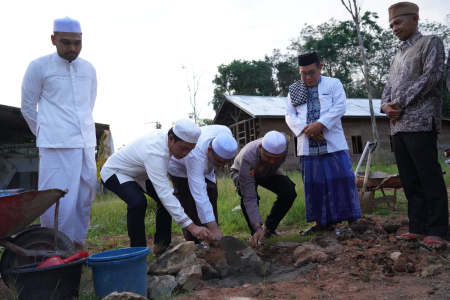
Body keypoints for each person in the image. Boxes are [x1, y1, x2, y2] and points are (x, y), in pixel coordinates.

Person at [21, 17, 98, 250]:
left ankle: (76, 244)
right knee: (58, 201)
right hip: (55, 146)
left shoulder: (89, 68)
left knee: (85, 196)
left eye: (77, 42)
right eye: (66, 42)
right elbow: (27, 106)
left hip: (85, 143)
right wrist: (47, 133)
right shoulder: (39, 66)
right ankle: (54, 246)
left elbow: (89, 104)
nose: (72, 48)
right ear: (53, 39)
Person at [381, 2, 448, 248]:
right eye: (391, 25)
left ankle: (438, 230)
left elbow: (432, 77)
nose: (394, 28)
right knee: (410, 179)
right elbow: (387, 87)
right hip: (397, 126)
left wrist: (398, 104)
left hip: (420, 123)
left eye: (398, 22)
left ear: (415, 18)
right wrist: (384, 106)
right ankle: (417, 227)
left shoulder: (431, 42)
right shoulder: (397, 56)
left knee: (429, 177)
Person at [101, 119, 213, 252]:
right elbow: (165, 193)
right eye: (183, 148)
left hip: (140, 173)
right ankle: (138, 251)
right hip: (116, 171)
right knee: (138, 202)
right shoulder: (155, 151)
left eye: (190, 149)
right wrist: (192, 226)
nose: (185, 154)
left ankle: (161, 245)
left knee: (165, 202)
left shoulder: (169, 140)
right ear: (171, 139)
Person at [285, 51, 361, 236]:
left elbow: (340, 107)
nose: (308, 77)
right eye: (303, 73)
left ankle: (352, 220)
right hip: (307, 145)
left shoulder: (333, 83)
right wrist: (307, 130)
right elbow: (289, 115)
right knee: (315, 184)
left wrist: (320, 125)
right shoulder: (294, 89)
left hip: (333, 142)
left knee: (343, 179)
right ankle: (320, 224)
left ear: (320, 67)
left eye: (311, 72)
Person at [168, 125, 238, 246]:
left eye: (226, 163)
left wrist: (213, 227)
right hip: (179, 167)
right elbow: (200, 195)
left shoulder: (225, 134)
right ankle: (193, 242)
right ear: (209, 150)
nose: (221, 166)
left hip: (205, 165)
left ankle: (212, 237)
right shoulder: (196, 156)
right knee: (188, 201)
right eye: (219, 162)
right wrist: (214, 227)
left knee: (211, 192)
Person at [230, 131, 297, 247]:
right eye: (268, 157)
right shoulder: (248, 158)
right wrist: (257, 226)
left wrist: (270, 163)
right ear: (260, 148)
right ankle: (256, 233)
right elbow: (249, 197)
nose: (272, 161)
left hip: (268, 170)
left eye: (277, 158)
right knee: (250, 196)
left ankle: (268, 229)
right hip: (242, 170)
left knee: (289, 193)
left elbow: (283, 137)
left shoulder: (284, 142)